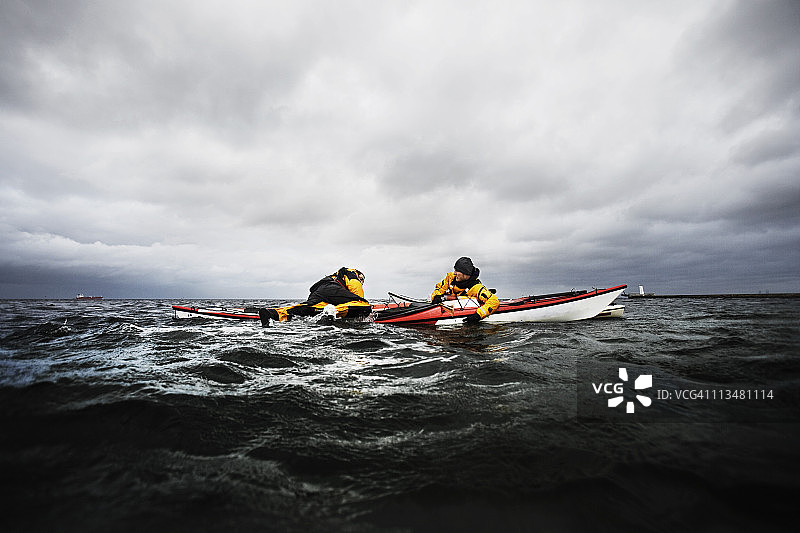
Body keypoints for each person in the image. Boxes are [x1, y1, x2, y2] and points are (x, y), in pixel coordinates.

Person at [259, 267, 370, 326]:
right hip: (332, 288)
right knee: (364, 306)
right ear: (359, 275)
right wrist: (362, 304)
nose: (362, 282)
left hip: (319, 291)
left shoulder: (334, 276)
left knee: (309, 308)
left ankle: (272, 313)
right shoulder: (352, 273)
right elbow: (357, 294)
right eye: (362, 280)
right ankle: (331, 313)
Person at [430, 257, 499, 323]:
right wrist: (437, 296)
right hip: (451, 302)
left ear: (465, 274)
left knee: (478, 297)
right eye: (454, 270)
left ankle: (487, 293)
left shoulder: (476, 287)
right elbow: (439, 288)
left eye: (457, 271)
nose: (454, 273)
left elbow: (494, 301)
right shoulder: (451, 277)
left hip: (465, 301)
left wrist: (478, 315)